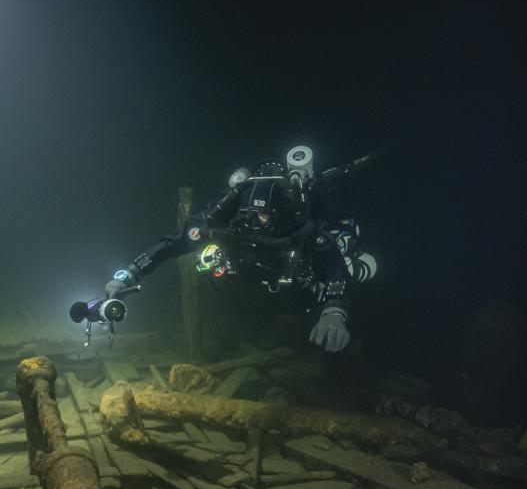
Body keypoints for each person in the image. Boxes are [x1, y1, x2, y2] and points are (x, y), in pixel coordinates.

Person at [103, 146, 377, 352]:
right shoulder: (226, 215)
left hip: (293, 290)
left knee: (346, 278)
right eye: (253, 215)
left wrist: (334, 313)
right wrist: (127, 275)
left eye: (267, 216)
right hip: (243, 287)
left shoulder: (299, 225)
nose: (258, 222)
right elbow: (173, 243)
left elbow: (332, 266)